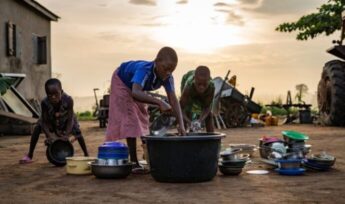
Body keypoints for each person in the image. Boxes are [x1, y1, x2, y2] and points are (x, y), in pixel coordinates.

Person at [106, 47, 186, 172]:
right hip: (121, 81)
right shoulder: (145, 70)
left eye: (172, 70)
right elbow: (136, 92)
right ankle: (133, 162)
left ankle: (149, 155)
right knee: (131, 119)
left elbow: (173, 100)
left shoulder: (168, 78)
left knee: (143, 116)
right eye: (165, 68)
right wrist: (159, 102)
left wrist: (181, 125)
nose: (168, 73)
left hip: (136, 89)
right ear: (156, 62)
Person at [19, 78, 89, 164]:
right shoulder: (44, 102)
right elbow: (44, 121)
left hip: (66, 120)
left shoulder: (68, 100)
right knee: (37, 127)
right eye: (49, 95)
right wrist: (49, 135)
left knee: (78, 133)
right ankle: (30, 155)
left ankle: (86, 155)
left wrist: (66, 134)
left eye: (56, 94)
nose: (53, 97)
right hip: (51, 121)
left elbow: (71, 119)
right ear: (46, 94)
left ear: (61, 91)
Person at [180, 66, 215, 133]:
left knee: (209, 115)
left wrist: (200, 120)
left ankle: (211, 140)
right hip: (190, 88)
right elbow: (180, 109)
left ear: (208, 81)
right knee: (186, 112)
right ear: (194, 80)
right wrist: (189, 122)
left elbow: (207, 108)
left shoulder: (211, 87)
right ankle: (183, 137)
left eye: (204, 84)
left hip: (204, 94)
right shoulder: (188, 87)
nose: (201, 87)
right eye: (199, 84)